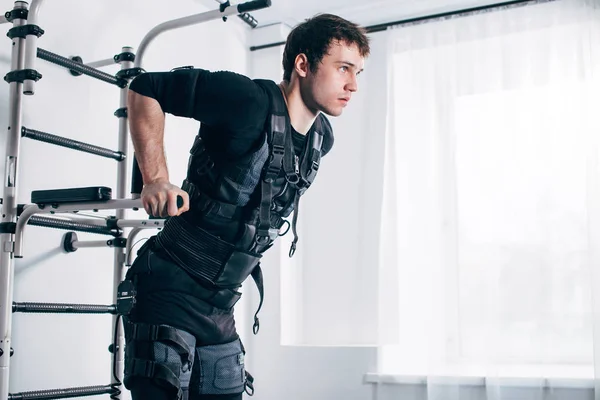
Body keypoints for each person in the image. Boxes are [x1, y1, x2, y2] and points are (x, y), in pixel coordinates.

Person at [121, 13, 370, 400]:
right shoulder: (245, 100)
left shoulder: (322, 138)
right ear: (303, 65)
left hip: (219, 307)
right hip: (167, 290)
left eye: (358, 73)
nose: (353, 85)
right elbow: (146, 88)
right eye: (343, 68)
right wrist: (155, 177)